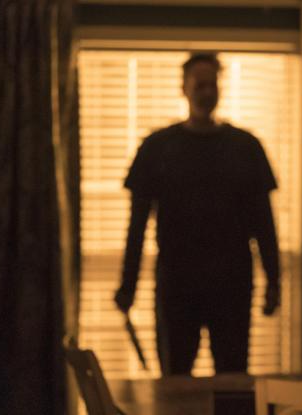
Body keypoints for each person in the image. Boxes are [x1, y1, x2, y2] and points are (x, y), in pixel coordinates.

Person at [114, 53, 280, 376]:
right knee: (175, 379)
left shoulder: (246, 147)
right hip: (176, 284)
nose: (206, 92)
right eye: (199, 85)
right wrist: (127, 286)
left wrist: (274, 282)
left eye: (211, 85)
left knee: (232, 380)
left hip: (232, 283)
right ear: (184, 88)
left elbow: (264, 223)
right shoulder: (157, 148)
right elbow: (136, 225)